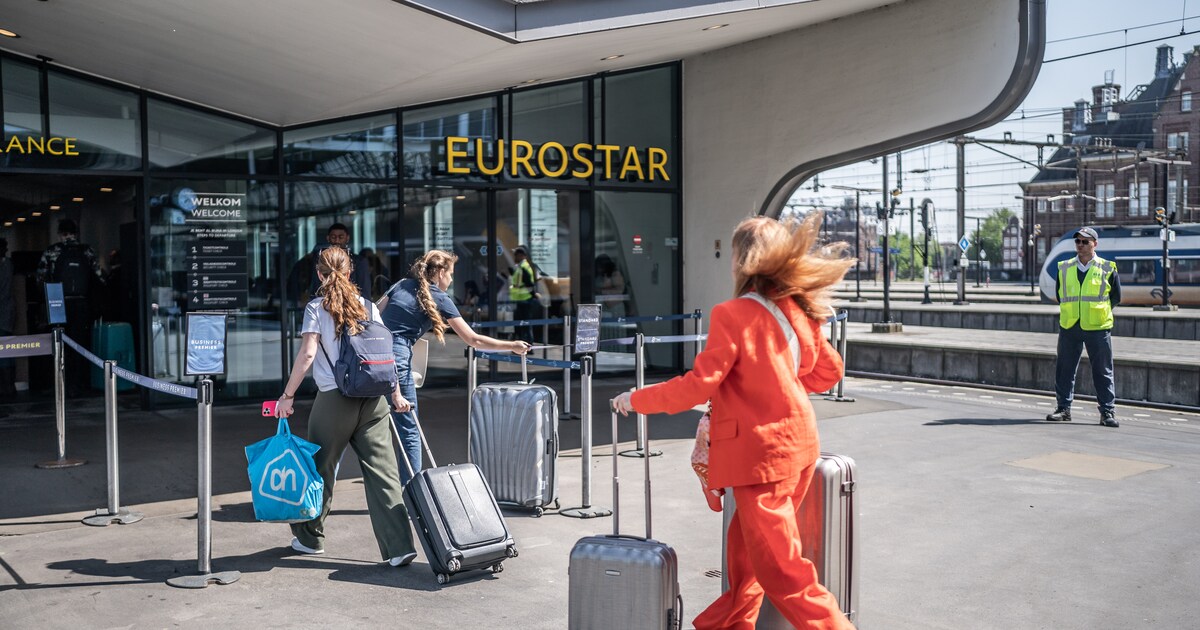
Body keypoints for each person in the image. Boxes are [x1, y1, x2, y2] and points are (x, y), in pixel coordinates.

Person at [614, 213, 855, 630]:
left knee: (783, 572)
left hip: (761, 458)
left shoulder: (733, 314)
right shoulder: (798, 308)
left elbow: (696, 387)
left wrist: (635, 400)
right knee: (746, 561)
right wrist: (776, 376)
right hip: (797, 447)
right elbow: (826, 373)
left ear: (741, 259)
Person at [272, 246, 419, 566]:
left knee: (319, 470)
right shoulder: (368, 306)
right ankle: (399, 547)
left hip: (334, 401)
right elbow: (386, 353)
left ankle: (311, 539)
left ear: (320, 274)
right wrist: (395, 395)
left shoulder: (316, 308)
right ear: (350, 272)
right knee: (384, 473)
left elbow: (308, 355)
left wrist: (287, 396)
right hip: (374, 400)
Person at [377, 250, 530, 481]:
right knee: (409, 431)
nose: (451, 280)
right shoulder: (439, 297)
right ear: (439, 273)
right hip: (396, 361)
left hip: (371, 356)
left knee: (355, 425)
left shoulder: (401, 285)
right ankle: (413, 497)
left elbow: (373, 315)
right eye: (450, 274)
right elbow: (473, 339)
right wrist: (512, 345)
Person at [1045, 226, 1121, 428]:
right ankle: (1063, 409)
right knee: (1064, 370)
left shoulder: (1107, 267)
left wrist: (1097, 312)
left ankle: (1107, 412)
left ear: (1095, 244)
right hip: (1070, 325)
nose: (1080, 245)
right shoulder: (1064, 267)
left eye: (1085, 241)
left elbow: (1115, 297)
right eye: (1077, 241)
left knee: (1103, 371)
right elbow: (1061, 296)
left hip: (1097, 326)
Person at [37, 219, 104, 396]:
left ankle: (60, 382)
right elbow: (99, 278)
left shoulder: (52, 252)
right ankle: (79, 383)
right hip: (82, 302)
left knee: (59, 343)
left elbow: (40, 278)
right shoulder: (87, 251)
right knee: (80, 343)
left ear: (60, 233)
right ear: (76, 233)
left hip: (58, 302)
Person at [310, 223, 371, 298]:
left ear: (347, 238)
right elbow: (315, 288)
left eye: (341, 237)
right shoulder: (321, 260)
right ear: (328, 238)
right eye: (333, 237)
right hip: (324, 303)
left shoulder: (360, 262)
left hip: (352, 304)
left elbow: (365, 291)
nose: (337, 240)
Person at [507, 245, 539, 343]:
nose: (514, 257)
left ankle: (528, 345)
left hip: (524, 300)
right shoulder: (520, 267)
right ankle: (521, 345)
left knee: (524, 325)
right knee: (521, 325)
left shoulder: (524, 267)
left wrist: (533, 294)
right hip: (520, 300)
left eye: (516, 255)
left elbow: (529, 283)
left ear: (522, 256)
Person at [0, 237, 15, 397]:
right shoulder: (9, 265)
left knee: (2, 351)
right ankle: (9, 385)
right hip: (8, 312)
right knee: (8, 348)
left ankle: (6, 387)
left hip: (2, 313)